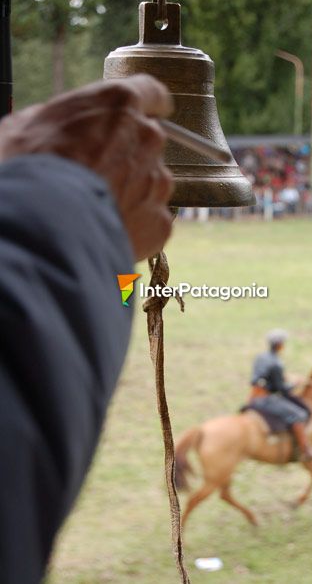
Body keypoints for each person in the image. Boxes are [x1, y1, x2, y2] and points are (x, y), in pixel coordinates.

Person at [0, 74, 173, 584]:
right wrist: (70, 199)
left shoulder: (121, 280)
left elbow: (123, 289)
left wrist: (128, 279)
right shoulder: (117, 278)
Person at [249, 329, 312, 461]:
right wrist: (296, 384)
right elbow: (280, 390)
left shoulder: (261, 357)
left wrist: (285, 378)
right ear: (280, 344)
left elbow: (264, 377)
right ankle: (306, 450)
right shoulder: (277, 363)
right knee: (299, 415)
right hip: (266, 398)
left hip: (253, 396)